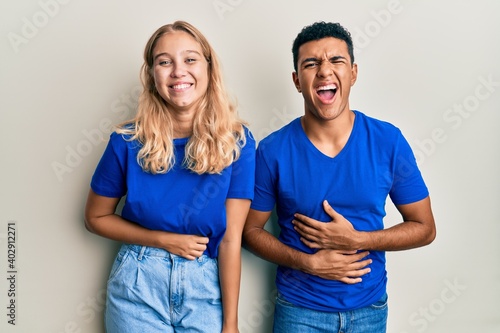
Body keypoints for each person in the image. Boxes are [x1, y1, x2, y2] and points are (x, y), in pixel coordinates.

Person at [242, 21, 436, 333]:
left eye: (336, 61)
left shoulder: (388, 141)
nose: (324, 71)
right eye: (311, 63)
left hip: (369, 310)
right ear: (297, 80)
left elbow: (425, 228)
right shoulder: (272, 150)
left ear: (353, 73)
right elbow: (249, 231)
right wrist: (307, 263)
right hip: (298, 312)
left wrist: (358, 239)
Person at [84, 21, 255, 333]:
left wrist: (231, 323)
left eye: (190, 59)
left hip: (205, 286)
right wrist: (161, 240)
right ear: (152, 74)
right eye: (165, 62)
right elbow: (95, 217)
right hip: (137, 285)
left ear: (208, 67)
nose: (178, 71)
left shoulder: (238, 141)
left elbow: (231, 239)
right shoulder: (126, 141)